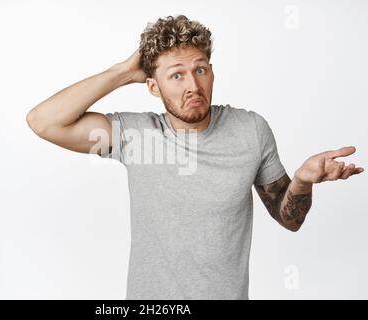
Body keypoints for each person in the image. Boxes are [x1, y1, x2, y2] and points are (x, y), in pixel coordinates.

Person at [26, 15, 364, 300]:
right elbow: (44, 121)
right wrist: (123, 72)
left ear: (212, 72)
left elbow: (289, 219)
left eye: (200, 70)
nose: (193, 86)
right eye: (176, 75)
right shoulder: (135, 136)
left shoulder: (251, 130)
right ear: (153, 87)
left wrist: (303, 181)